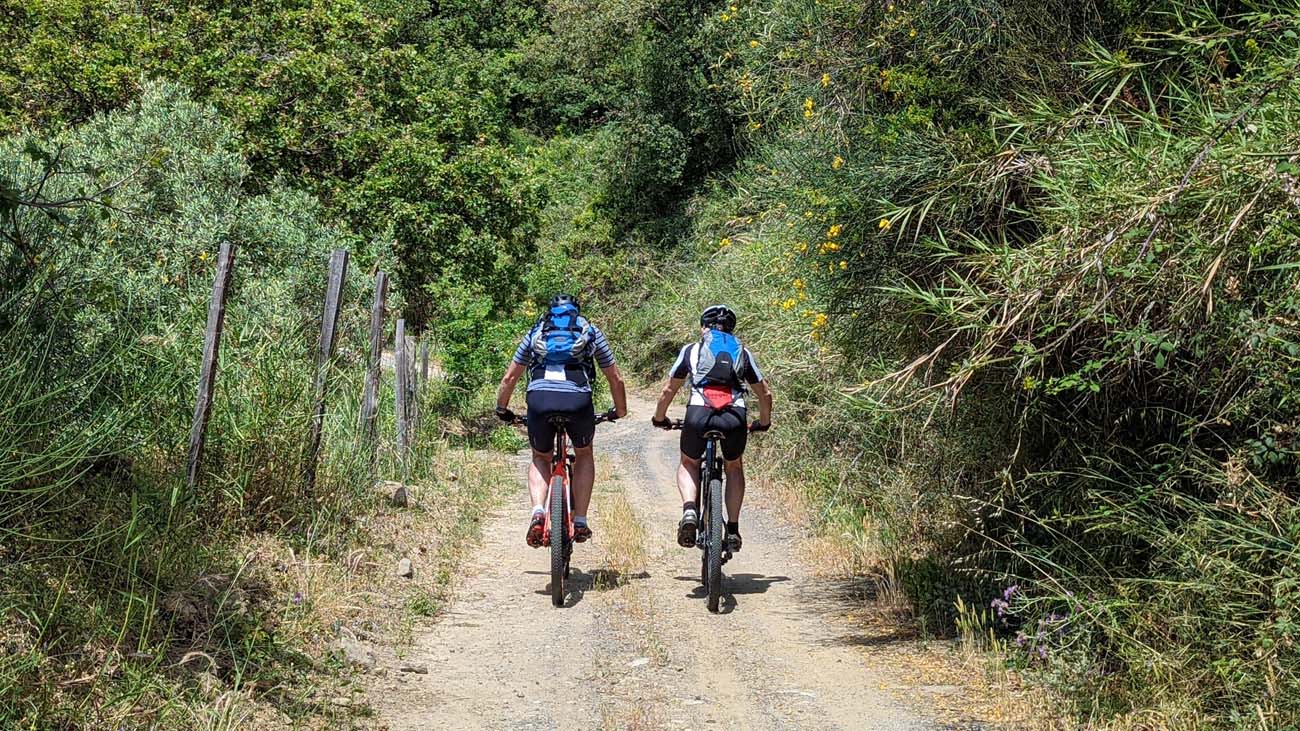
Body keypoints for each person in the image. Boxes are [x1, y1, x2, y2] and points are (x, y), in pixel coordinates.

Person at [495, 294, 628, 546]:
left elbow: (510, 378)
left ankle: (537, 511)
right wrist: (619, 410)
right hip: (577, 400)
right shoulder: (590, 331)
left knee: (540, 456)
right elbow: (615, 377)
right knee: (584, 453)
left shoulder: (537, 331)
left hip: (540, 398)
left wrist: (502, 408)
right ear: (576, 313)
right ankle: (580, 521)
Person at [651, 304, 771, 552]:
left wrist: (659, 418)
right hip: (734, 417)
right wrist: (764, 422)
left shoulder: (692, 350)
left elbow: (668, 390)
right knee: (734, 466)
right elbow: (765, 394)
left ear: (703, 327)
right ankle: (734, 529)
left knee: (689, 462)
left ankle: (689, 511)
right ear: (731, 329)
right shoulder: (742, 353)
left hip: (699, 414)